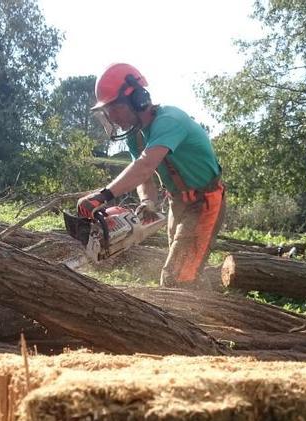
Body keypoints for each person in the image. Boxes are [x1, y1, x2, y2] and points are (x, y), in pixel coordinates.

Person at [77, 63, 226, 287]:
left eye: (115, 108)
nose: (112, 117)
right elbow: (144, 178)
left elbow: (146, 165)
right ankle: (203, 306)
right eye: (108, 112)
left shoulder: (169, 120)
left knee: (176, 277)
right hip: (177, 202)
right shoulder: (135, 136)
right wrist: (148, 202)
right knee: (184, 267)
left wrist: (103, 195)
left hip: (204, 201)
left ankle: (190, 315)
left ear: (137, 99)